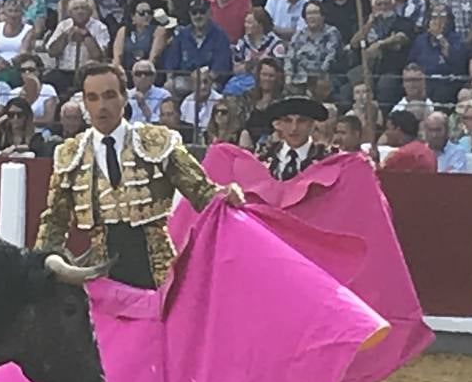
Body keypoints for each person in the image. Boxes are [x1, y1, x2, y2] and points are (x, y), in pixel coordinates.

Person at [35, 62, 244, 288]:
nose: (101, 106)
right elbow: (55, 220)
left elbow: (201, 192)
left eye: (109, 96)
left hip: (159, 272)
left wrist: (224, 197)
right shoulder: (70, 154)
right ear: (84, 102)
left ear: (124, 98)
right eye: (92, 98)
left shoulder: (156, 141)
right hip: (102, 275)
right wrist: (39, 264)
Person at [255, 96, 334, 180]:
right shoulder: (265, 155)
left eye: (301, 121)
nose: (294, 128)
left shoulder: (326, 158)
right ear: (279, 125)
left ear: (311, 125)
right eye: (287, 121)